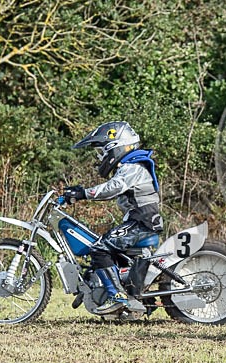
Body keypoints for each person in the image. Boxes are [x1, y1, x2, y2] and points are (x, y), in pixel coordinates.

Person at [62, 121, 163, 314]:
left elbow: (112, 188)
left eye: (102, 152)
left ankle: (118, 296)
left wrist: (83, 193)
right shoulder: (131, 165)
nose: (101, 157)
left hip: (142, 222)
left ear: (114, 147)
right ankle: (125, 294)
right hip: (139, 221)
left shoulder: (134, 166)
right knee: (107, 251)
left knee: (99, 248)